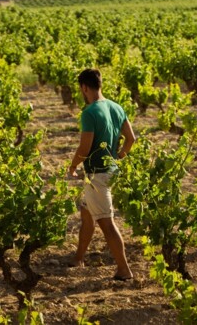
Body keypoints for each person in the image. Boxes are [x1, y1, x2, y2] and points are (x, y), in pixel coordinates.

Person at [68, 68, 135, 281]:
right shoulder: (116, 107)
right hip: (109, 172)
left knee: (106, 222)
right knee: (87, 215)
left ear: (84, 87)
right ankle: (78, 258)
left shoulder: (89, 112)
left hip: (97, 174)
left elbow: (85, 148)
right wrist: (119, 155)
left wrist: (72, 166)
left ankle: (124, 269)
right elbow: (131, 138)